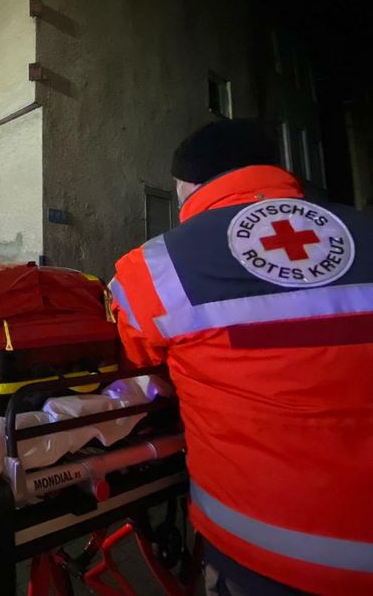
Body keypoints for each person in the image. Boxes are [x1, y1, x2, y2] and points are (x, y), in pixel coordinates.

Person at [108, 119, 373, 596]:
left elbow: (136, 363)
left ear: (188, 184)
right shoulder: (364, 229)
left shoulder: (156, 266)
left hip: (265, 554)